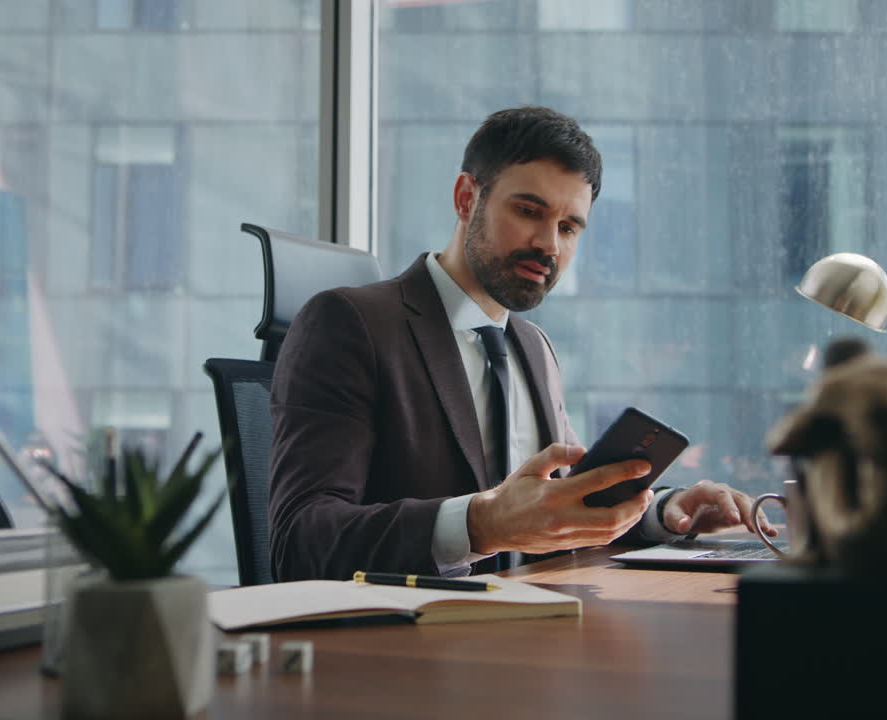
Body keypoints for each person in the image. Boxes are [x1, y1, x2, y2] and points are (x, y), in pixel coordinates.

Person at [269, 106, 774, 582]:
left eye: (569, 226)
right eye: (530, 210)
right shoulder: (350, 323)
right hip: (403, 648)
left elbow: (557, 512)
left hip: (528, 627)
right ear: (467, 198)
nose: (549, 245)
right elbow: (300, 541)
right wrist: (481, 524)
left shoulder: (533, 347)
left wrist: (666, 511)